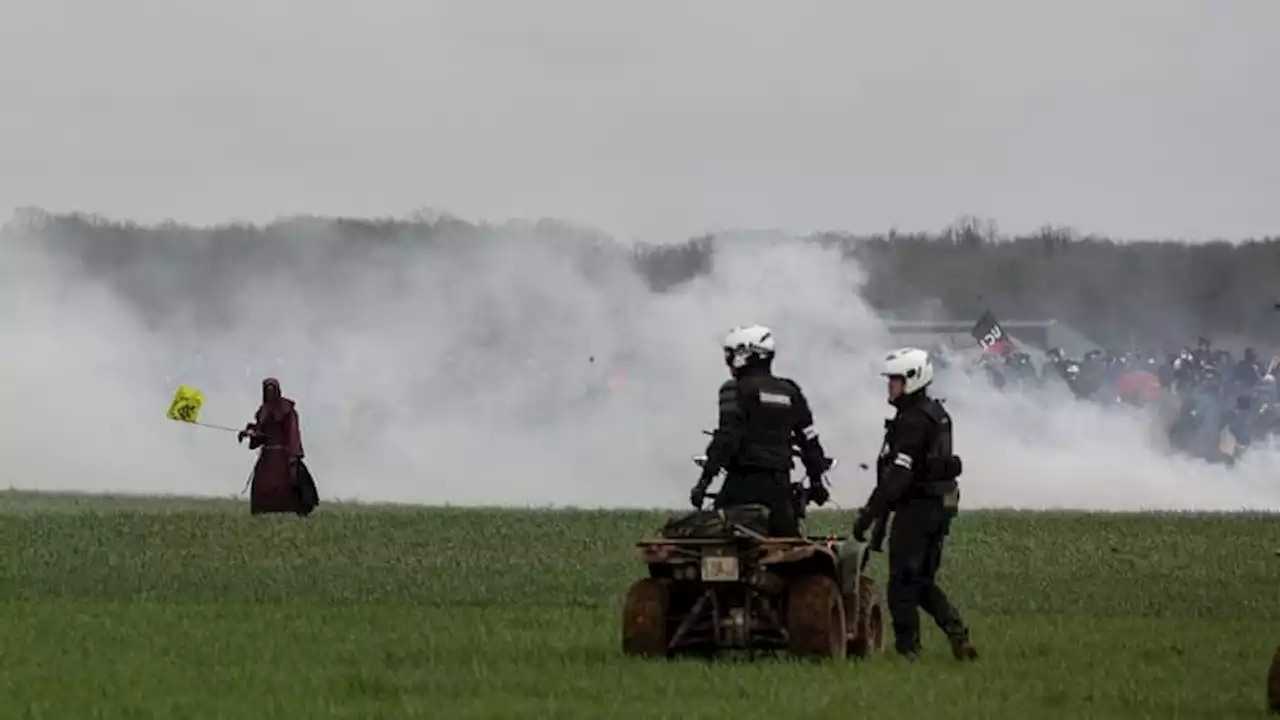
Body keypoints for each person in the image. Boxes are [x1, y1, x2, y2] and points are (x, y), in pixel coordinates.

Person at [852, 347, 977, 661]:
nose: (890, 387)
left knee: (901, 584)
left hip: (918, 508)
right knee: (921, 581)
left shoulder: (913, 420)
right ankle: (957, 633)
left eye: (895, 380)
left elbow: (898, 475)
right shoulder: (937, 413)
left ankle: (909, 650)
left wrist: (869, 515)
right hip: (940, 506)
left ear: (912, 379)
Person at [689, 325, 831, 537]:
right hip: (780, 488)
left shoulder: (734, 389)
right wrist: (817, 482)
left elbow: (726, 440)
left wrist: (703, 482)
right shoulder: (790, 391)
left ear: (745, 354)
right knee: (788, 550)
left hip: (743, 485)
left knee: (715, 542)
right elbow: (809, 440)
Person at [238, 377, 318, 516]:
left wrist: (293, 455)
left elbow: (293, 433)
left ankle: (292, 509)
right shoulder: (263, 411)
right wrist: (249, 433)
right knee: (263, 484)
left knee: (286, 482)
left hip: (283, 455)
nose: (269, 393)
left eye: (272, 389)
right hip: (268, 455)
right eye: (267, 390)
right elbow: (262, 432)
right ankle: (263, 511)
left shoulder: (287, 410)